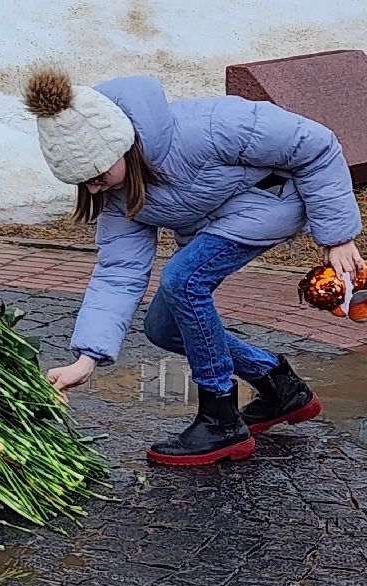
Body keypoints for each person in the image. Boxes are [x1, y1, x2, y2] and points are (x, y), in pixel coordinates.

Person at [23, 67, 363, 466]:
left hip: (276, 199)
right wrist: (87, 359)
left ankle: (220, 418)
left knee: (183, 280)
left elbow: (317, 144)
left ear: (119, 146)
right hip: (222, 222)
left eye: (98, 175)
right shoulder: (117, 194)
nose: (95, 188)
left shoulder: (206, 127)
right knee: (162, 327)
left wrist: (337, 236)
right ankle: (279, 386)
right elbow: (119, 272)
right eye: (84, 182)